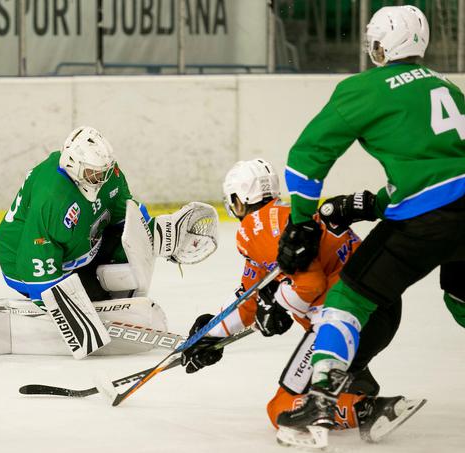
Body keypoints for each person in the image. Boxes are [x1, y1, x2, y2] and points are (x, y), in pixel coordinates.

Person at [274, 5, 464, 448]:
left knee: (349, 295)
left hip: (426, 220)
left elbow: (305, 161)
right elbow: (444, 165)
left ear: (381, 45)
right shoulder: (449, 87)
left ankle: (320, 400)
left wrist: (301, 223)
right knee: (460, 295)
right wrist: (370, 203)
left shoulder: (363, 89)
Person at [180, 158, 418, 441]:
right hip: (381, 312)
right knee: (317, 376)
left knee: (280, 411)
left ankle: (367, 410)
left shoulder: (255, 227)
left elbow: (309, 283)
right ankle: (355, 386)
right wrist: (212, 332)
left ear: (239, 199)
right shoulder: (289, 215)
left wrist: (277, 306)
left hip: (344, 317)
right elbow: (252, 298)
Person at [0, 126, 219, 356]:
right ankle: (4, 329)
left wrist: (159, 236)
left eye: (103, 172)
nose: (100, 178)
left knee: (125, 271)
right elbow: (34, 260)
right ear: (73, 166)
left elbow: (126, 220)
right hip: (24, 260)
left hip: (83, 245)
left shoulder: (108, 173)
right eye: (92, 173)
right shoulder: (52, 197)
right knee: (89, 304)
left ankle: (93, 296)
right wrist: (68, 312)